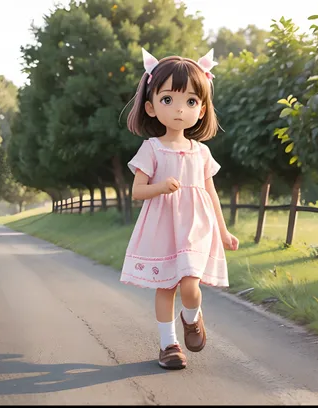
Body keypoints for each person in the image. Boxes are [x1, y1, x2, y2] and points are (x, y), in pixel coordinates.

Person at [122, 48, 239, 370]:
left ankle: (191, 318)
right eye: (168, 100)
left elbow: (210, 194)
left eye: (190, 101)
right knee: (166, 286)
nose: (179, 109)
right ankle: (168, 344)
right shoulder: (152, 148)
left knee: (190, 285)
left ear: (201, 110)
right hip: (163, 226)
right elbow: (137, 191)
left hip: (197, 226)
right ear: (151, 106)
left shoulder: (201, 152)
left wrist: (224, 230)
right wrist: (160, 187)